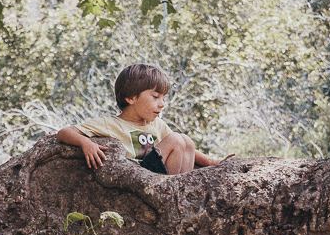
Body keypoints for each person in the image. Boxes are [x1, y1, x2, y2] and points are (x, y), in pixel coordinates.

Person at [56, 63, 224, 174]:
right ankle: (174, 186)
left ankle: (181, 186)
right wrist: (85, 143)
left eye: (163, 98)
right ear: (131, 98)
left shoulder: (157, 124)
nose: (162, 104)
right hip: (141, 175)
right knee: (177, 139)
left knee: (185, 140)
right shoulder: (111, 123)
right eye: (155, 97)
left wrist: (212, 162)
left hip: (161, 174)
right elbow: (64, 132)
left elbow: (184, 148)